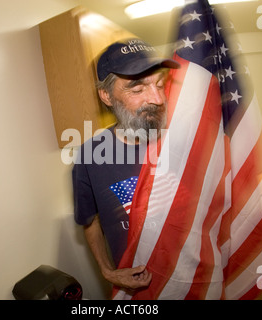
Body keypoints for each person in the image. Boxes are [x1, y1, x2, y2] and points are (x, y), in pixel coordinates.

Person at [72, 38, 180, 294]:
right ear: (107, 95)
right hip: (138, 289)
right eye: (137, 89)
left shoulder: (185, 141)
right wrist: (107, 270)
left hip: (193, 280)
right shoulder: (90, 156)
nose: (157, 99)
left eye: (160, 84)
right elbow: (90, 221)